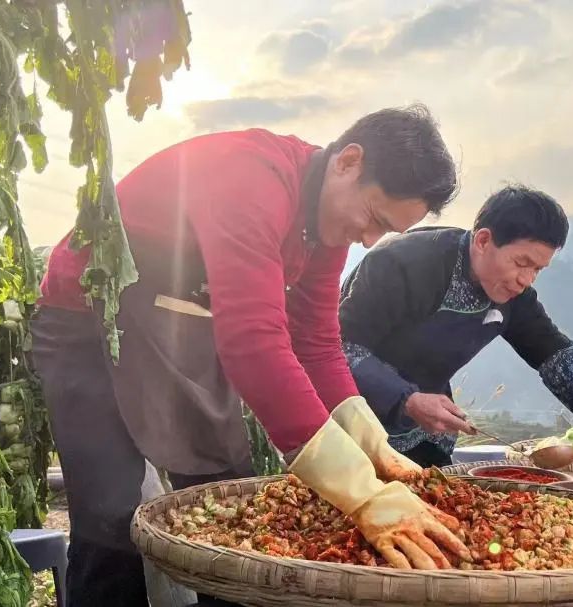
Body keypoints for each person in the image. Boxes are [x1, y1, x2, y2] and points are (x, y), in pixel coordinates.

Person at [32, 105, 472, 607]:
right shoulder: (252, 178)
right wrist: (362, 494)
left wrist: (371, 445)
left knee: (225, 499)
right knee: (112, 515)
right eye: (372, 217)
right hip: (89, 321)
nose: (369, 239)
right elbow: (255, 343)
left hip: (178, 328)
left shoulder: (325, 223)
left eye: (385, 231)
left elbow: (316, 340)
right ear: (348, 162)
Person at [337, 184, 573, 505]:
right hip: (349, 430)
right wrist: (408, 399)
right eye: (522, 263)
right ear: (484, 240)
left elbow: (558, 357)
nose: (526, 279)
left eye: (538, 269)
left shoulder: (513, 295)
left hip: (426, 438)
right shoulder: (401, 265)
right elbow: (338, 348)